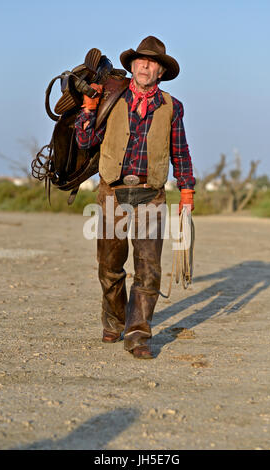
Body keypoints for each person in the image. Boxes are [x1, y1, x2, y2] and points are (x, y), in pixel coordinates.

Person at [75, 36, 196, 359]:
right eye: (140, 60)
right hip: (113, 193)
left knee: (149, 269)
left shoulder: (172, 106)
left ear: (160, 72)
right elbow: (86, 140)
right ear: (131, 66)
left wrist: (187, 190)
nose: (145, 65)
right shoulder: (111, 98)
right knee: (110, 267)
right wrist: (88, 108)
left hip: (151, 196)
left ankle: (138, 333)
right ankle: (114, 320)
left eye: (152, 62)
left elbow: (180, 152)